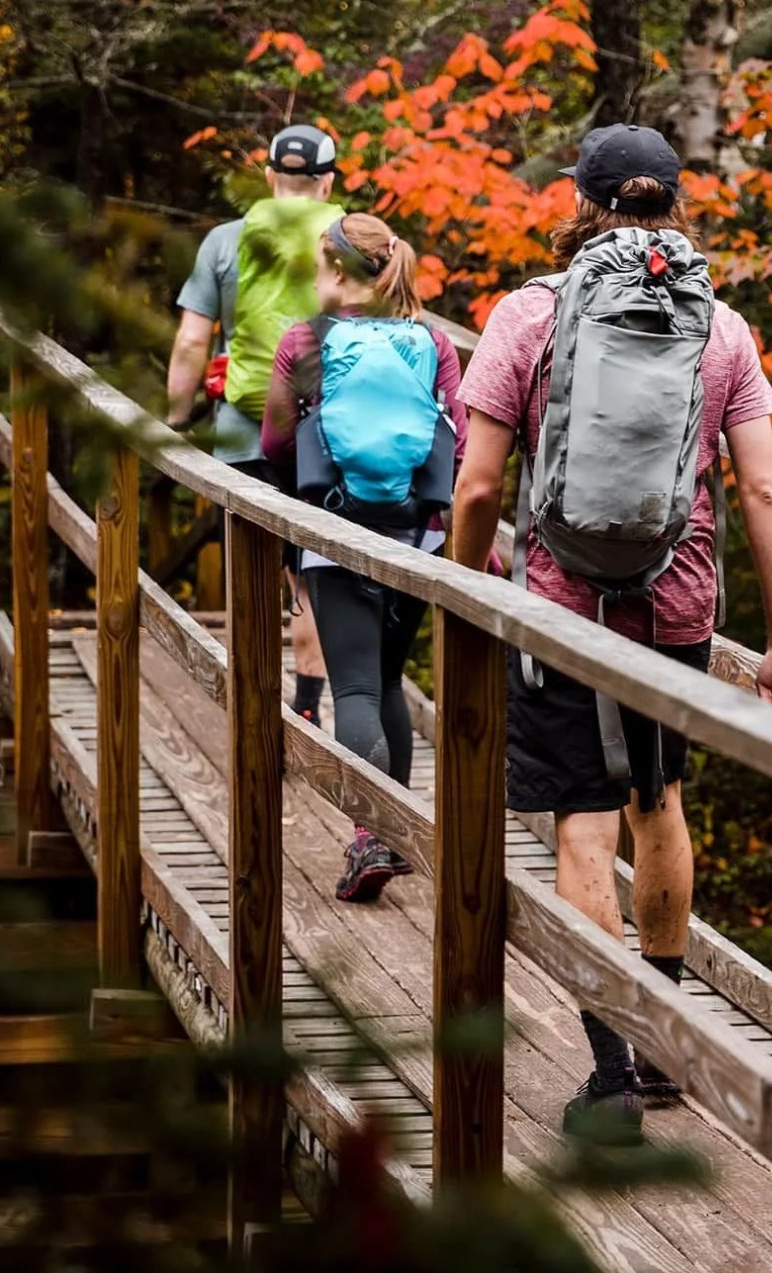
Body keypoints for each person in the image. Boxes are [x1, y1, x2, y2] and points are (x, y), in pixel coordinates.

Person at [451, 123, 772, 1145]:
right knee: (659, 803)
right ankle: (660, 1044)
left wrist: (458, 574)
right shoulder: (721, 327)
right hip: (677, 605)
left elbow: (479, 481)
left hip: (561, 610)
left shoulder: (529, 313)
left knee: (580, 823)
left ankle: (608, 1066)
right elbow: (761, 487)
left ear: (582, 200)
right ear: (674, 203)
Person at [263, 212, 468, 904]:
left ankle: (371, 838)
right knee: (384, 684)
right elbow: (459, 443)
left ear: (342, 272)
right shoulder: (434, 343)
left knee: (351, 690)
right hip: (417, 537)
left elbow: (273, 444)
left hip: (337, 533)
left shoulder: (305, 340)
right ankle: (393, 837)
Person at [166, 123, 342, 727]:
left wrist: (175, 418)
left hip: (243, 428)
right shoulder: (348, 241)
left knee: (249, 568)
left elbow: (193, 341)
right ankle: (309, 705)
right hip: (324, 438)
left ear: (269, 177)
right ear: (327, 184)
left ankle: (250, 700)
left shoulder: (224, 241)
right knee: (312, 570)